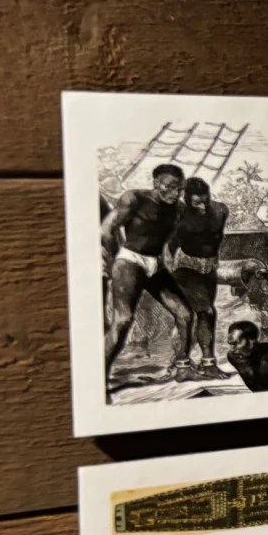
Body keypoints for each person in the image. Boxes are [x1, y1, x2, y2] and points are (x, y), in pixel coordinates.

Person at [101, 163, 192, 390]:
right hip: (130, 261)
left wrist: (168, 256)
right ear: (156, 183)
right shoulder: (134, 198)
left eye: (179, 188)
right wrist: (115, 259)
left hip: (156, 265)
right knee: (123, 320)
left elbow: (173, 237)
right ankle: (99, 376)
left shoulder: (179, 208)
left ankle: (182, 366)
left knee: (184, 314)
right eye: (170, 187)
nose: (175, 193)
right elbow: (107, 229)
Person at [165, 177, 234, 381]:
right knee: (205, 312)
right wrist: (168, 264)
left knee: (203, 316)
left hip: (209, 269)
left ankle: (191, 363)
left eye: (205, 200)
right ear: (186, 199)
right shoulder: (178, 213)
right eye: (197, 203)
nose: (203, 206)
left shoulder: (221, 210)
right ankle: (192, 365)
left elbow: (216, 238)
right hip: (186, 268)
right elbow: (169, 243)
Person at [225, 320, 268, 392]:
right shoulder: (233, 357)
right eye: (231, 344)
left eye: (236, 343)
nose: (232, 349)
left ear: (251, 341)